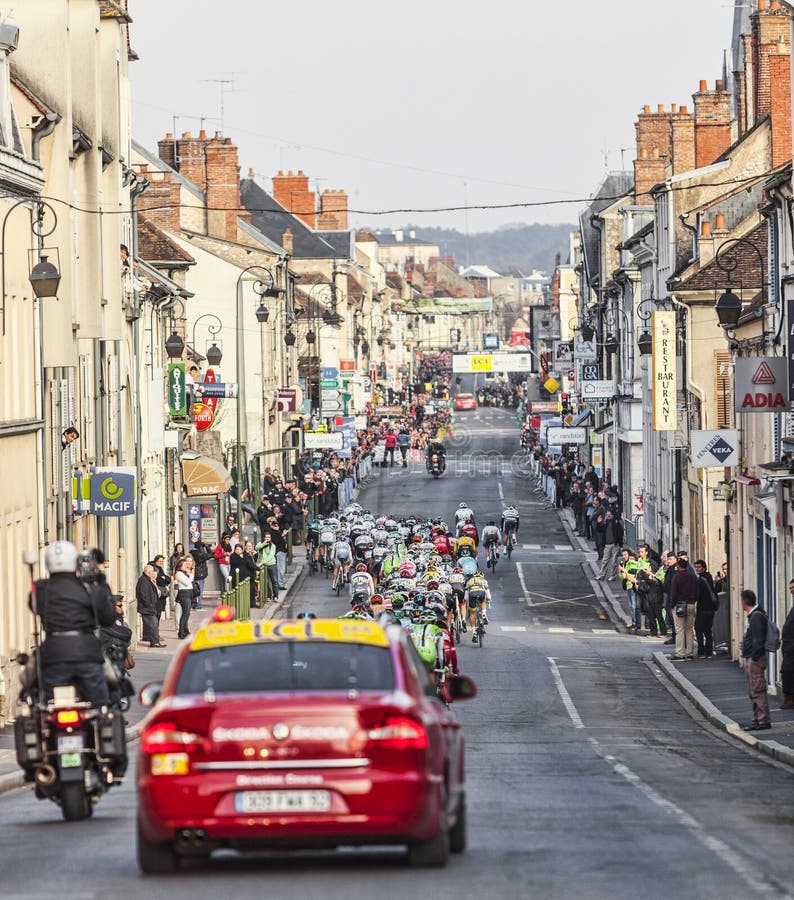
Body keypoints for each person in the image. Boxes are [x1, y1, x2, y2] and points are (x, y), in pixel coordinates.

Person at [29, 541, 116, 707]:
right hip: (87, 653)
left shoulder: (41, 589)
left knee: (43, 703)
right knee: (104, 701)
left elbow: (33, 606)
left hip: (53, 654)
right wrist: (102, 582)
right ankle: (106, 726)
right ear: (75, 561)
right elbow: (108, 618)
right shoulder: (89, 588)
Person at [740, 589, 771, 731]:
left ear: (744, 601)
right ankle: (757, 719)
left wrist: (754, 657)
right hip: (751, 657)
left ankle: (762, 720)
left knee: (757, 689)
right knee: (753, 689)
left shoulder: (756, 617)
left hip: (755, 659)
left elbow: (758, 639)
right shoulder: (754, 616)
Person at [99, 595, 134, 709]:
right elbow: (124, 636)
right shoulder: (108, 622)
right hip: (110, 656)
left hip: (117, 657)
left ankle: (116, 711)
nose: (121, 608)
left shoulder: (117, 620)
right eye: (119, 606)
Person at [670, 557, 698, 660]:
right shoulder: (693, 577)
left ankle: (680, 653)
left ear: (678, 566)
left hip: (679, 605)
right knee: (689, 629)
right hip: (691, 604)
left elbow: (674, 593)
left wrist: (672, 605)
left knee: (680, 630)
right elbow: (696, 591)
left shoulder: (676, 578)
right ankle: (689, 652)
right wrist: (693, 601)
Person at [136, 563, 165, 648]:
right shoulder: (144, 581)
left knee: (154, 624)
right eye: (152, 571)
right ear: (149, 572)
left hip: (149, 607)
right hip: (147, 608)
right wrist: (150, 605)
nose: (154, 573)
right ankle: (155, 642)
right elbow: (143, 595)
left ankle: (155, 642)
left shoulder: (147, 580)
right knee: (153, 624)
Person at [694, 559, 718, 659]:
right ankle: (709, 651)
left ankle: (701, 650)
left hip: (703, 608)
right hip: (711, 608)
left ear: (703, 568)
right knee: (708, 630)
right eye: (696, 567)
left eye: (698, 567)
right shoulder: (709, 577)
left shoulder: (701, 580)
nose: (696, 569)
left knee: (699, 629)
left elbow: (698, 595)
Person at [595, 510, 623, 581]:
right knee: (605, 560)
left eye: (609, 515)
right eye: (607, 515)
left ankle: (613, 575)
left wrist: (619, 543)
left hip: (614, 544)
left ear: (612, 516)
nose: (607, 517)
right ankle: (602, 574)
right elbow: (600, 530)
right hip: (607, 544)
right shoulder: (605, 523)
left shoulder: (616, 524)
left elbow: (620, 533)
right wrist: (598, 523)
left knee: (614, 561)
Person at [780, 580, 794, 709]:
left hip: (791, 647)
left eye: (793, 587)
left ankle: (789, 698)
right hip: (788, 647)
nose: (791, 590)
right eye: (790, 588)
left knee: (787, 671)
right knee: (786, 671)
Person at [174, 556, 194, 640]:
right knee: (184, 613)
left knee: (187, 613)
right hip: (184, 593)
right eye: (184, 564)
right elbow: (187, 582)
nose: (186, 566)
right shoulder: (179, 573)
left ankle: (186, 630)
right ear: (180, 566)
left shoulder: (185, 573)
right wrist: (191, 575)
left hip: (189, 592)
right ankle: (181, 632)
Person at [255, 533, 279, 601]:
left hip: (271, 564)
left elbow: (271, 556)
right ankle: (268, 595)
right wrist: (263, 544)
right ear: (264, 538)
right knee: (266, 581)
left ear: (270, 538)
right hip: (264, 566)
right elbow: (256, 548)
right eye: (266, 537)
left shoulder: (273, 546)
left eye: (269, 537)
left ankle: (275, 596)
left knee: (274, 580)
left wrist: (261, 563)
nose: (267, 539)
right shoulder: (262, 544)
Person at [189, 540, 212, 610]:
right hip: (200, 574)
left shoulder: (191, 553)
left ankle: (193, 604)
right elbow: (210, 554)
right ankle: (198, 605)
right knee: (199, 590)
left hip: (193, 573)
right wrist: (207, 547)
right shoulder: (201, 554)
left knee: (194, 589)